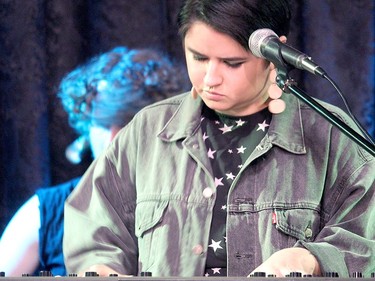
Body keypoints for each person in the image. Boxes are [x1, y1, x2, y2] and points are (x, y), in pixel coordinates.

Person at [63, 0, 375, 278]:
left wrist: (311, 258)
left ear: (274, 53)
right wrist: (101, 269)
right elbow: (94, 233)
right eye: (198, 58)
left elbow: (366, 239)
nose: (210, 79)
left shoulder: (331, 135)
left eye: (232, 63)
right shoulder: (148, 131)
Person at [0, 46, 187, 277]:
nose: (113, 140)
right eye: (103, 125)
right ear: (87, 126)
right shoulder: (44, 212)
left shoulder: (196, 202)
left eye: (128, 125)